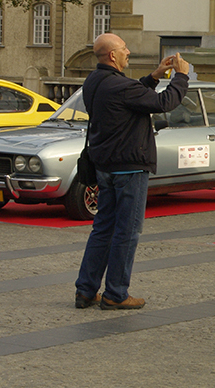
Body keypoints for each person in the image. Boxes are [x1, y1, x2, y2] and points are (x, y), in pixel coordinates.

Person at [74, 33, 191, 310]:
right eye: (124, 48)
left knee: (103, 228)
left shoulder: (94, 81)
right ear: (112, 55)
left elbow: (130, 94)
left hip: (105, 166)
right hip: (129, 168)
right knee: (127, 231)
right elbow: (163, 103)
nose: (128, 52)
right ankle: (116, 292)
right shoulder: (120, 86)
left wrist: (154, 76)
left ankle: (86, 290)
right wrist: (181, 76)